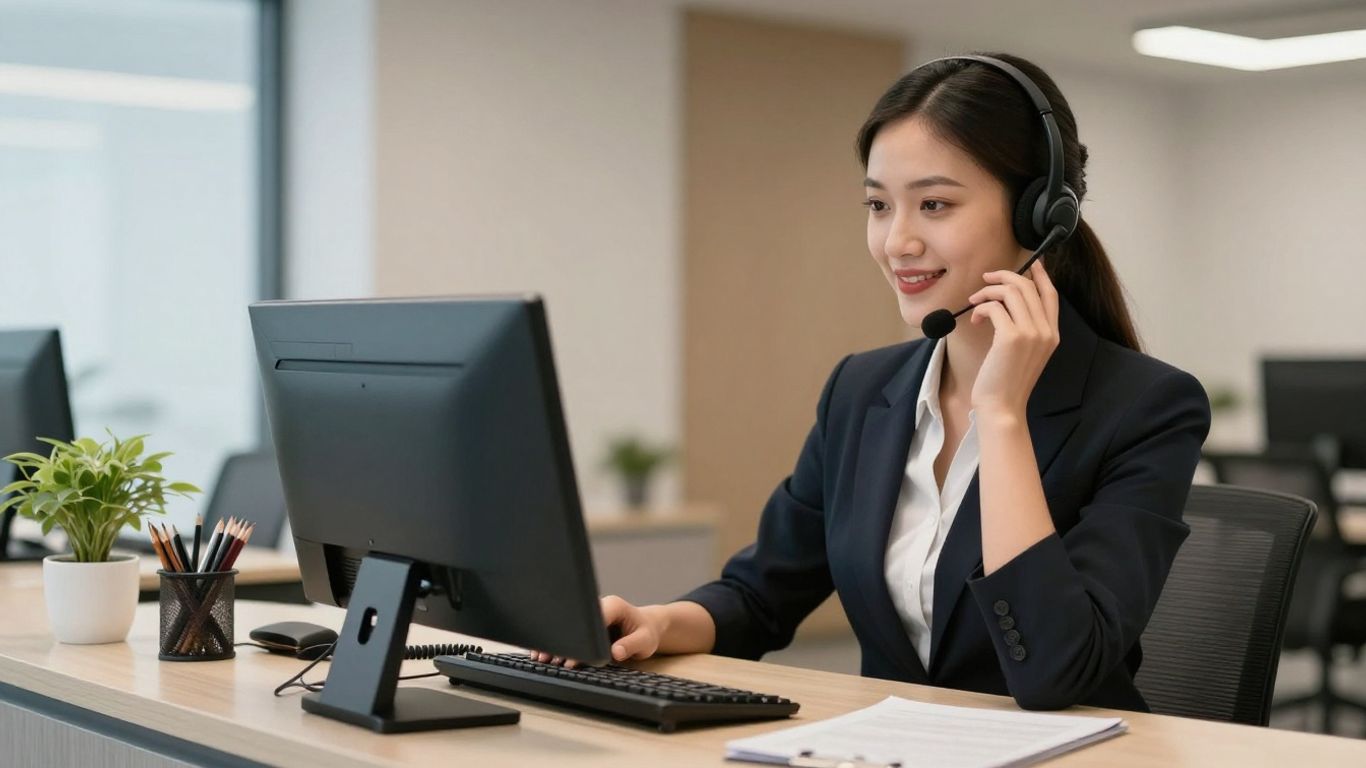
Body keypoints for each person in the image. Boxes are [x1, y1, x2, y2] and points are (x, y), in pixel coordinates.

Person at [537, 52, 1210, 712]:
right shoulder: (861, 392)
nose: (897, 241)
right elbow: (760, 595)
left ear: (1039, 215)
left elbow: (1056, 670)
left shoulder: (1147, 409)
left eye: (935, 205)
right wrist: (658, 623)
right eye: (879, 205)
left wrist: (1000, 415)